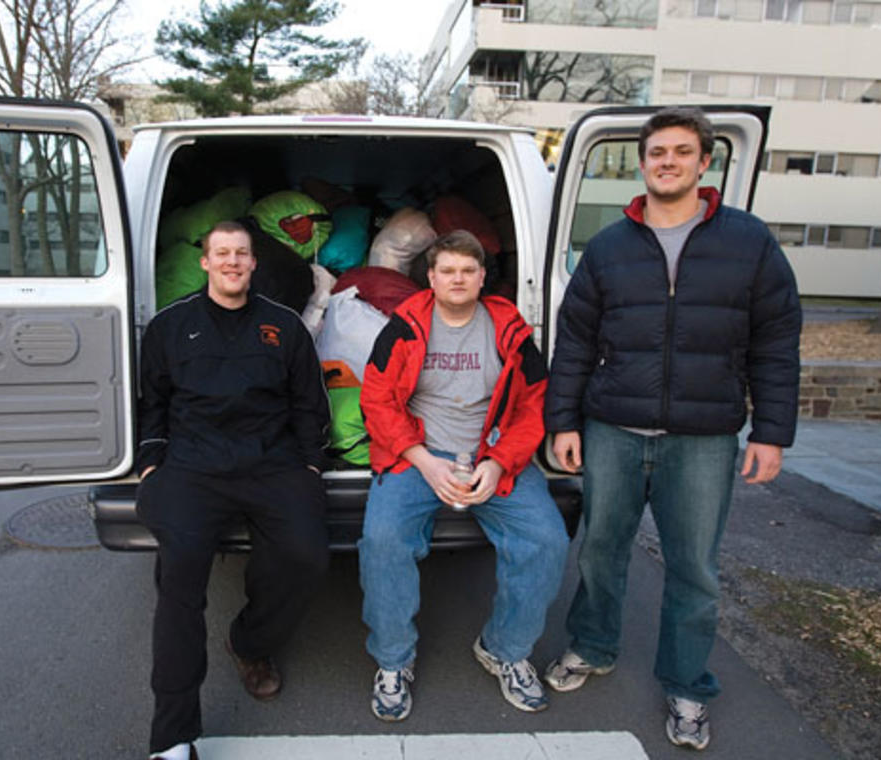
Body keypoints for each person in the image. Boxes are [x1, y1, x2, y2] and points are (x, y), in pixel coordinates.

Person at [543, 107, 801, 751]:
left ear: (703, 162)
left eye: (681, 152)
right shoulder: (607, 247)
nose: (667, 162)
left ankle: (687, 685)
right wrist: (563, 422)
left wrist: (772, 432)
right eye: (657, 151)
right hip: (613, 429)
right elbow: (574, 343)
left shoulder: (748, 242)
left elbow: (776, 342)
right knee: (601, 550)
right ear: (641, 160)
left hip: (704, 437)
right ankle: (594, 646)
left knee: (695, 569)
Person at [134, 220, 331, 760]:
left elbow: (308, 404)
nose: (232, 262)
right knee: (180, 579)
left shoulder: (284, 326)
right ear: (205, 262)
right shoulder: (170, 326)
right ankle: (173, 738)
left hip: (271, 464)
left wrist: (311, 466)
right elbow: (151, 402)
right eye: (221, 253)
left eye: (241, 254)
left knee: (307, 555)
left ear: (253, 264)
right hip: (192, 467)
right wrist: (152, 463)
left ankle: (250, 642)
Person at [357, 229, 569, 721]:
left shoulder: (509, 327)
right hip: (418, 454)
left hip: (492, 453)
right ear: (430, 278)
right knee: (383, 539)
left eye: (467, 271)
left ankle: (505, 649)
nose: (458, 279)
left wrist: (499, 463)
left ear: (481, 277)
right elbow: (377, 399)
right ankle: (393, 661)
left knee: (546, 540)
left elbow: (534, 404)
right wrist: (421, 458)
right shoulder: (405, 325)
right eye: (447, 270)